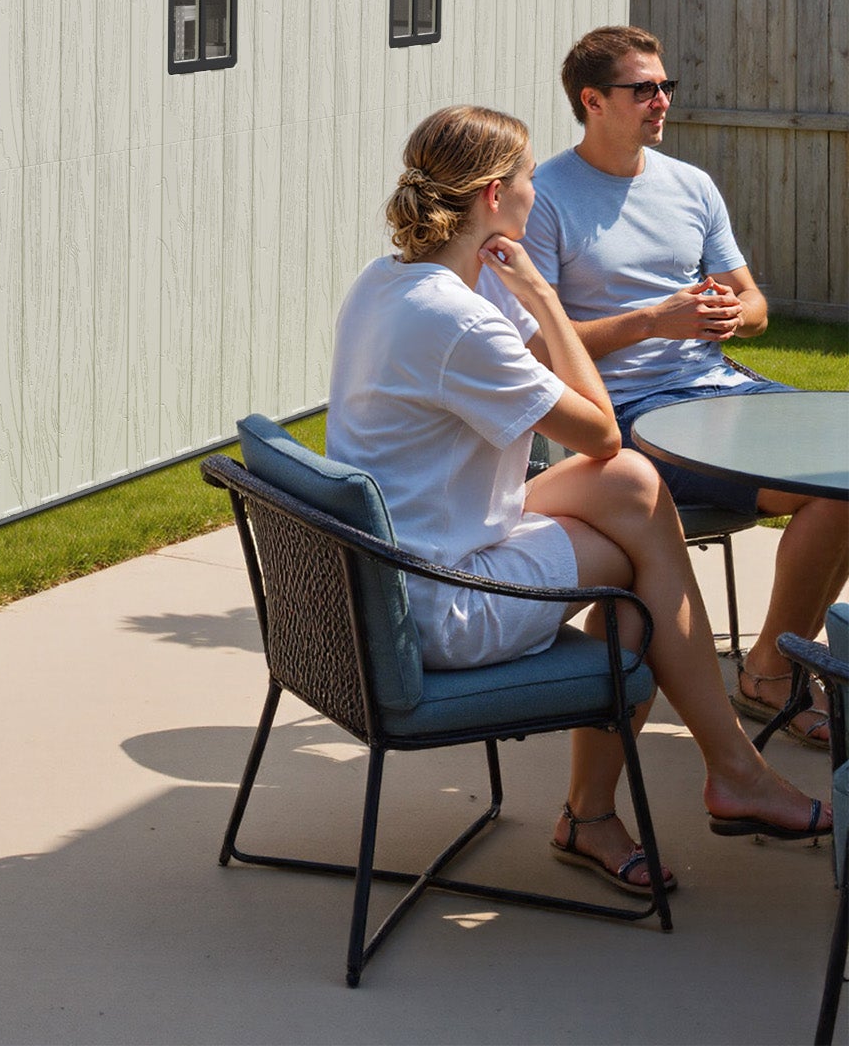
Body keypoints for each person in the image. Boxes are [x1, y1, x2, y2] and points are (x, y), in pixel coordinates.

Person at [329, 104, 827, 899]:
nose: (539, 190)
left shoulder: (390, 280)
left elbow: (592, 439)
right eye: (530, 178)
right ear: (495, 196)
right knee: (636, 565)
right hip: (444, 600)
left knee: (633, 486)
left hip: (405, 556)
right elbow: (599, 429)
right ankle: (691, 783)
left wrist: (526, 292)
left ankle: (699, 782)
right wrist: (548, 298)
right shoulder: (459, 322)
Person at [526, 25, 849, 749]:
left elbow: (755, 305)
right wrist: (651, 322)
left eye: (665, 85)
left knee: (843, 469)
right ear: (592, 101)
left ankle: (779, 662)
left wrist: (736, 315)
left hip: (720, 387)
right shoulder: (544, 197)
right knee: (830, 490)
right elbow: (536, 349)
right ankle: (772, 676)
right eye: (643, 89)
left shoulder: (690, 185)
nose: (662, 100)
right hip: (628, 416)